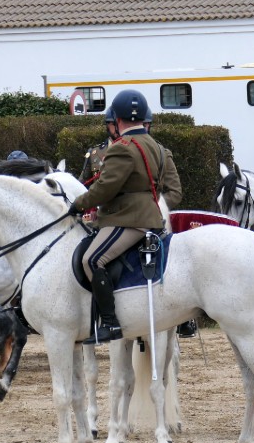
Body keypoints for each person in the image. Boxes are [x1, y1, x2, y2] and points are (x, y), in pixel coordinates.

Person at [69, 90, 166, 345]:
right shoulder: (154, 145)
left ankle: (110, 324)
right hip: (150, 212)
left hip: (129, 218)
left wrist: (78, 204)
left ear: (117, 118)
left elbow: (105, 188)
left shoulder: (123, 148)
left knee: (92, 260)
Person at [142, 109, 194, 338]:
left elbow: (175, 192)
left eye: (143, 124)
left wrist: (157, 206)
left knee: (175, 261)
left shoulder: (162, 154)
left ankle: (183, 315)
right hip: (126, 216)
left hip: (156, 217)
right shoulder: (108, 154)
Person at [79, 109, 118, 187]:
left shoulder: (134, 149)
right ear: (108, 125)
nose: (117, 128)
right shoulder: (94, 153)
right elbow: (82, 185)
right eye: (114, 124)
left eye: (120, 124)